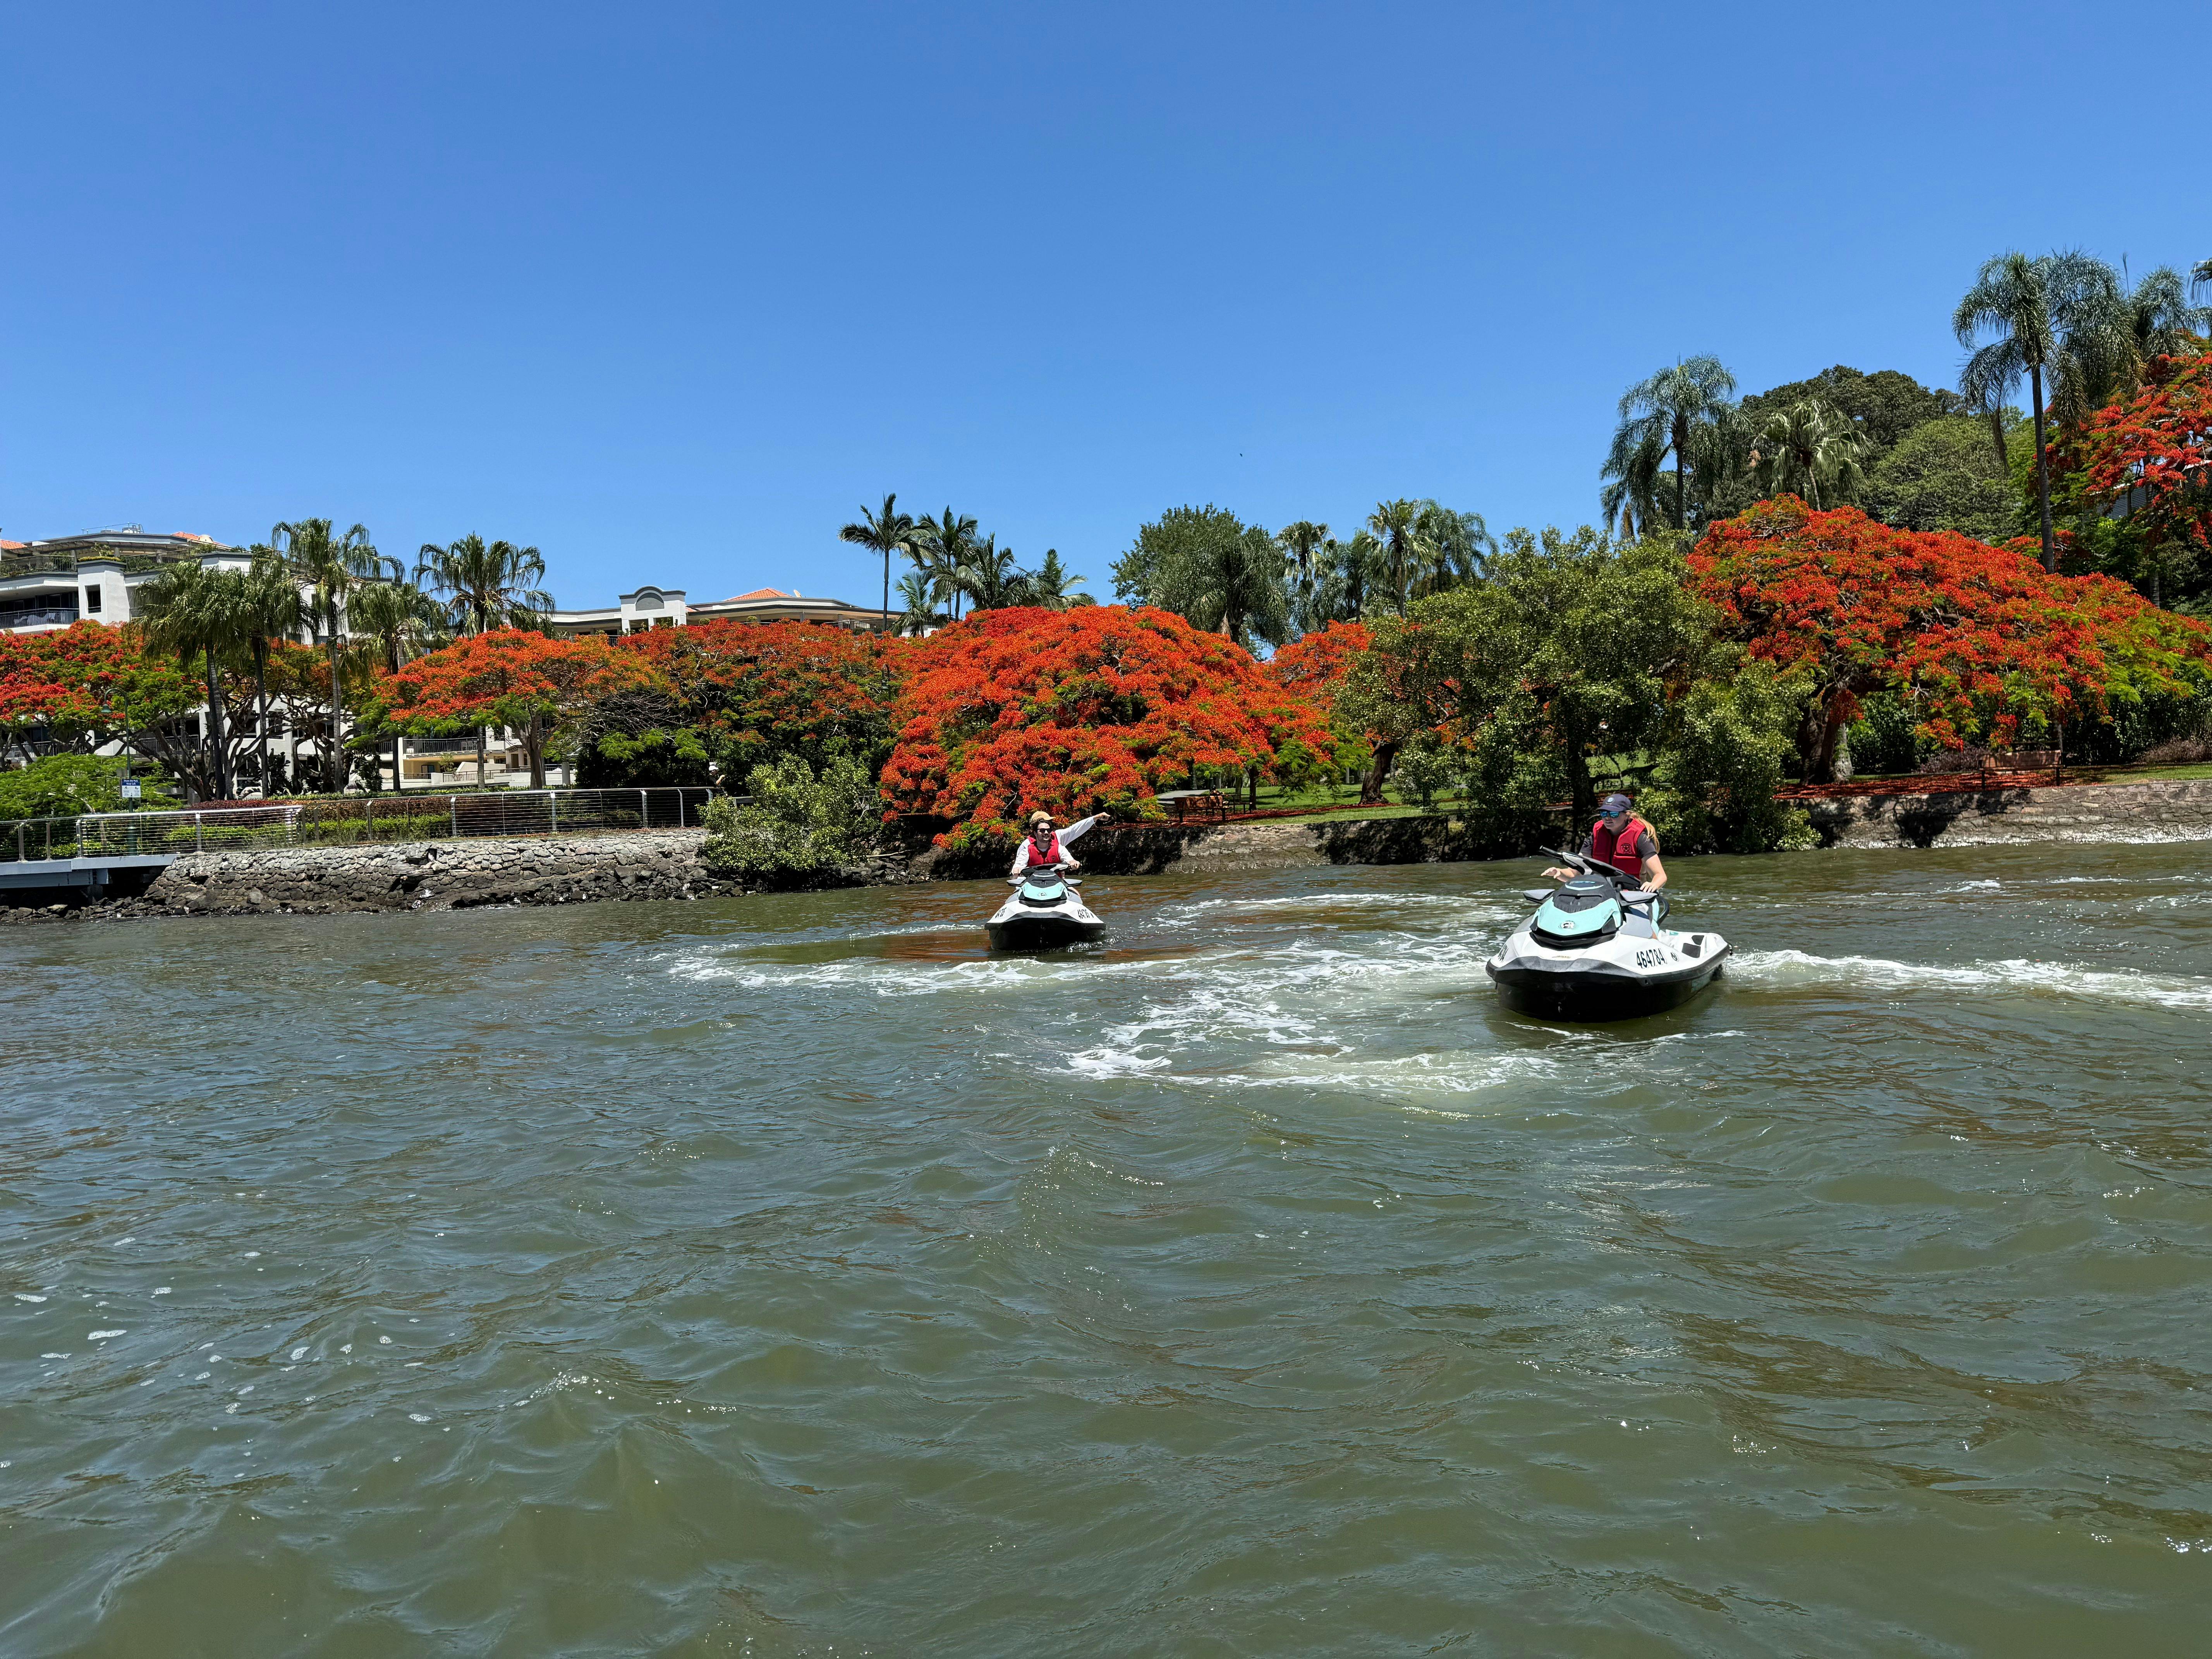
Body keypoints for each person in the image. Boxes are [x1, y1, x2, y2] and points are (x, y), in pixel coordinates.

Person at [1544, 793, 1668, 893]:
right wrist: (1559, 873)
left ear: (1627, 815)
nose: (1608, 818)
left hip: (1633, 897)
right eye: (1604, 813)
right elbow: (1574, 873)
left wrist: (1653, 885)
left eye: (1614, 814)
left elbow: (1660, 875)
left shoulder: (1640, 838)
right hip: (1601, 896)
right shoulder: (1596, 836)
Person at [1012, 808, 1111, 875]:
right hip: (1033, 884)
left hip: (1056, 883)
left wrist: (1095, 818)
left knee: (1076, 894)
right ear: (1035, 828)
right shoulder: (1026, 846)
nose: (1046, 832)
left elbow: (1075, 830)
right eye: (1042, 828)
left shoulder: (1057, 838)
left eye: (1048, 826)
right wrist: (1017, 871)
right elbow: (1018, 868)